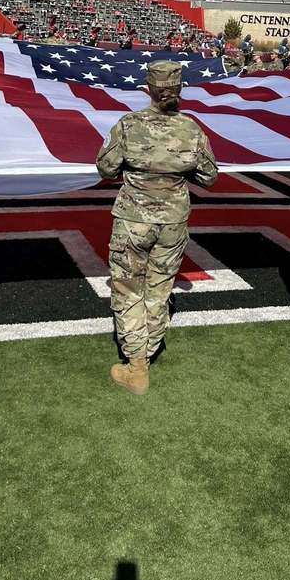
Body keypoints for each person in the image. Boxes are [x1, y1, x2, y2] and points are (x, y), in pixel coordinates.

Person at [96, 60, 218, 395]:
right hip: (173, 221)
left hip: (133, 219)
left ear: (147, 89)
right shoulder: (191, 129)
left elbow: (105, 168)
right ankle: (147, 354)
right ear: (179, 91)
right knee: (159, 289)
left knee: (128, 288)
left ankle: (136, 366)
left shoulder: (128, 125)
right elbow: (209, 177)